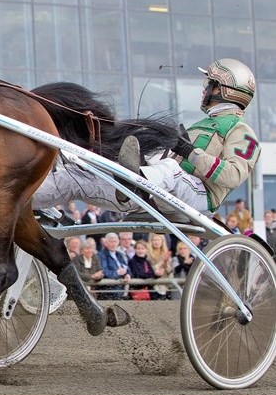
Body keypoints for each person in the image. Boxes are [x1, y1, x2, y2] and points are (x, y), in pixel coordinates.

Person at [33, 58, 260, 218]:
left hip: (201, 198)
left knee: (171, 168)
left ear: (223, 90)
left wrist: (189, 151)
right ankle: (18, 199)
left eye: (209, 84)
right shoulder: (203, 125)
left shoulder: (241, 131)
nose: (204, 90)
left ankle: (134, 181)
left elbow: (232, 175)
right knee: (75, 177)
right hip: (164, 190)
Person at [98, 232, 131, 300]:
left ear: (118, 242)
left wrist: (128, 274)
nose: (113, 244)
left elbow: (127, 268)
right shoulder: (101, 255)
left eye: (115, 241)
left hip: (122, 289)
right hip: (109, 291)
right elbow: (104, 272)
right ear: (106, 243)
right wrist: (117, 273)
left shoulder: (119, 254)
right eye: (111, 241)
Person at [147, 233, 173, 300]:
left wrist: (166, 263)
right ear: (151, 241)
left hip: (165, 284)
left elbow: (169, 271)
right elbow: (150, 269)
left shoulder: (166, 253)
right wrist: (162, 262)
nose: (156, 242)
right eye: (154, 240)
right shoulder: (148, 254)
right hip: (154, 284)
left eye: (158, 240)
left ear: (162, 241)